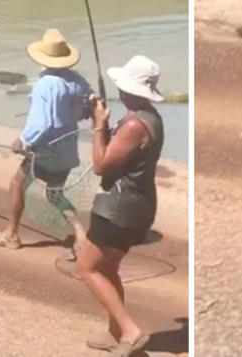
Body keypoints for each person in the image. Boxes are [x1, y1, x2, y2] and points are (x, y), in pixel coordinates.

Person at [77, 55, 165, 357]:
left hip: (119, 207)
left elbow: (101, 166)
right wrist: (101, 123)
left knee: (86, 268)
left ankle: (130, 331)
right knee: (109, 267)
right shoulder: (151, 117)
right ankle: (117, 334)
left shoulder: (134, 125)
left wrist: (99, 125)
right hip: (137, 204)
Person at [0, 28, 93, 261]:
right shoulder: (79, 81)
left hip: (45, 150)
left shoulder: (45, 85)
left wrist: (22, 142)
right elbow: (89, 108)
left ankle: (12, 234)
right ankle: (80, 233)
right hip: (68, 146)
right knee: (54, 194)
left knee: (17, 183)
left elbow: (41, 124)